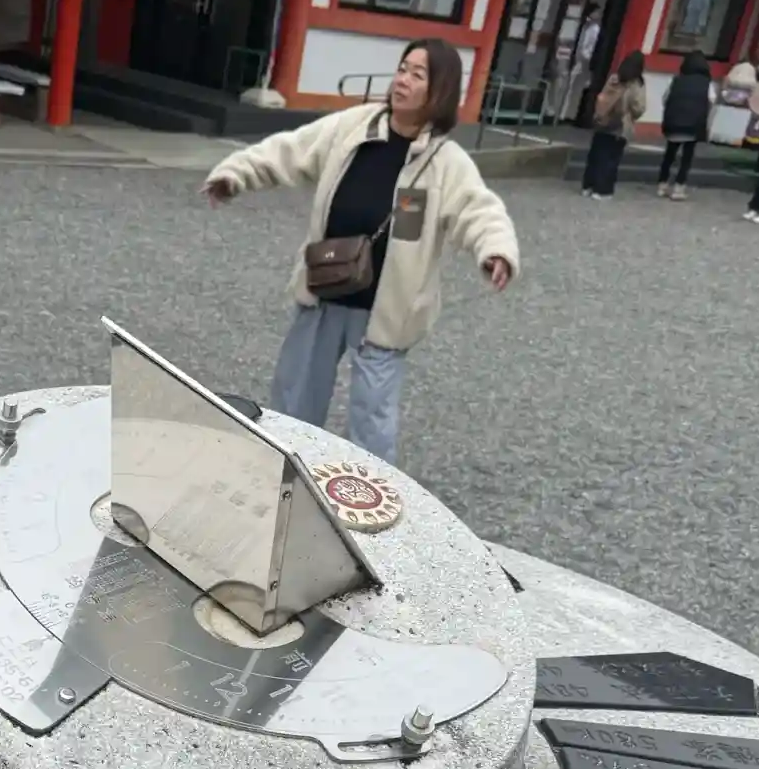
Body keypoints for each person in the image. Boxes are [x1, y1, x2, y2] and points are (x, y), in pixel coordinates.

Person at [200, 38, 519, 466]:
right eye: (402, 69)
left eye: (417, 75)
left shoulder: (446, 161)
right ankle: (284, 469)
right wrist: (234, 174)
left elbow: (478, 210)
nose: (402, 80)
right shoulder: (354, 126)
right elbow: (290, 150)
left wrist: (495, 250)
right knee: (295, 398)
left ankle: (368, 489)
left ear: (439, 90)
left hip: (385, 312)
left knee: (373, 418)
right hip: (325, 288)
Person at [581, 50, 646, 199]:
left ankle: (587, 186)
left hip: (604, 121)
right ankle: (602, 190)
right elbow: (639, 108)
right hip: (620, 126)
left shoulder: (614, 78)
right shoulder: (636, 84)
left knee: (596, 155)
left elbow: (603, 97)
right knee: (611, 159)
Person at [657, 51, 713, 201]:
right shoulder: (707, 83)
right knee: (686, 158)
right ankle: (678, 187)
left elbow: (665, 99)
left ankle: (662, 184)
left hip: (674, 123)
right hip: (694, 125)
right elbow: (711, 101)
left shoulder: (676, 80)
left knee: (669, 155)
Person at [564, 3, 602, 123]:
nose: (598, 15)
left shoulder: (594, 29)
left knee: (576, 87)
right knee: (570, 86)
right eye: (596, 12)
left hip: (584, 62)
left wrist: (586, 58)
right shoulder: (585, 26)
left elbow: (590, 47)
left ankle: (570, 114)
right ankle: (565, 113)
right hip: (579, 60)